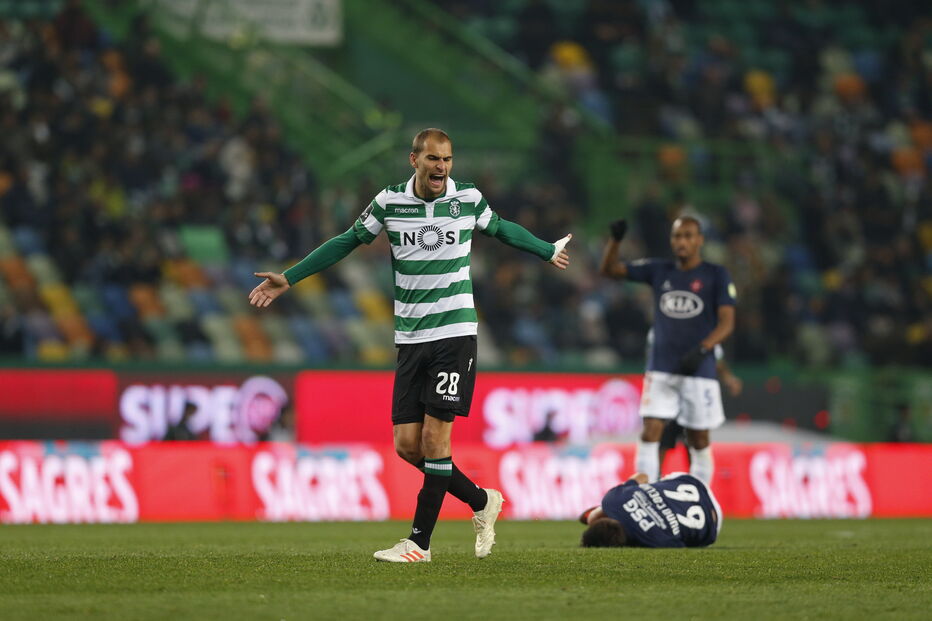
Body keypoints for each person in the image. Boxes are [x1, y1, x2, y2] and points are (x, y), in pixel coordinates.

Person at [249, 128, 572, 563]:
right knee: (407, 446)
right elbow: (346, 241)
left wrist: (545, 248)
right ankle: (480, 501)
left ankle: (419, 544)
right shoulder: (389, 202)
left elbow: (502, 229)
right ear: (414, 160)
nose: (442, 167)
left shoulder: (467, 199)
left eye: (448, 159)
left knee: (437, 441)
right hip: (411, 337)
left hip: (454, 334)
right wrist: (291, 276)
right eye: (434, 159)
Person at [599, 217, 735, 485]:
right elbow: (610, 270)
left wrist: (703, 349)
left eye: (688, 236)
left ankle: (701, 501)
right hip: (661, 367)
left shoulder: (716, 274)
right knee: (650, 431)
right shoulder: (659, 270)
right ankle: (645, 496)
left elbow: (727, 322)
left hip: (699, 369)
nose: (681, 242)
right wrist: (615, 241)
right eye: (677, 236)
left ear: (700, 240)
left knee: (698, 439)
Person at [657, 341, 743, 470]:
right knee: (662, 442)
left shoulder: (706, 334)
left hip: (695, 396)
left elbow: (717, 361)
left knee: (696, 442)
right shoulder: (664, 330)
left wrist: (729, 379)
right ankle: (654, 480)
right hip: (672, 396)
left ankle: (697, 482)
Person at [578, 471, 722, 548]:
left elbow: (682, 546)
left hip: (713, 522)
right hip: (690, 482)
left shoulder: (654, 540)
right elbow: (643, 476)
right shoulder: (613, 499)